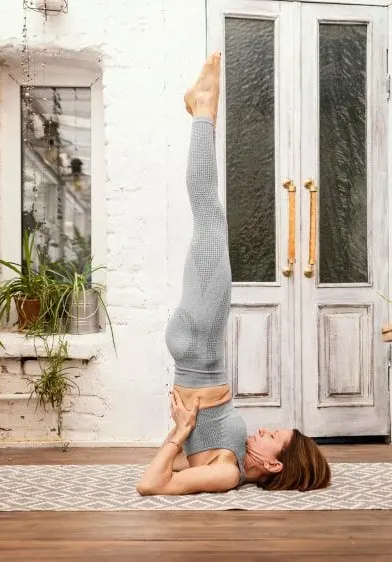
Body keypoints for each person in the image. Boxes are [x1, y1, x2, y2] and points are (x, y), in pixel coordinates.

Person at [136, 53, 331, 496]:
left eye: (272, 438)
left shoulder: (228, 473)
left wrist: (182, 432)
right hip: (199, 351)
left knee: (210, 217)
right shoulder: (232, 455)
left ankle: (203, 108)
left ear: (274, 463)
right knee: (209, 220)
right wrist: (186, 433)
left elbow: (150, 486)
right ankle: (201, 108)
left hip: (200, 347)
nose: (263, 431)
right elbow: (177, 471)